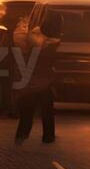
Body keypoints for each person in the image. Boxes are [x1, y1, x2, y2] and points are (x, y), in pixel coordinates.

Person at [13, 16, 60, 145]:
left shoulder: (23, 43)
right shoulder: (49, 46)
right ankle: (48, 137)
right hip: (43, 84)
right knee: (47, 112)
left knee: (27, 112)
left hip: (28, 84)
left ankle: (21, 135)